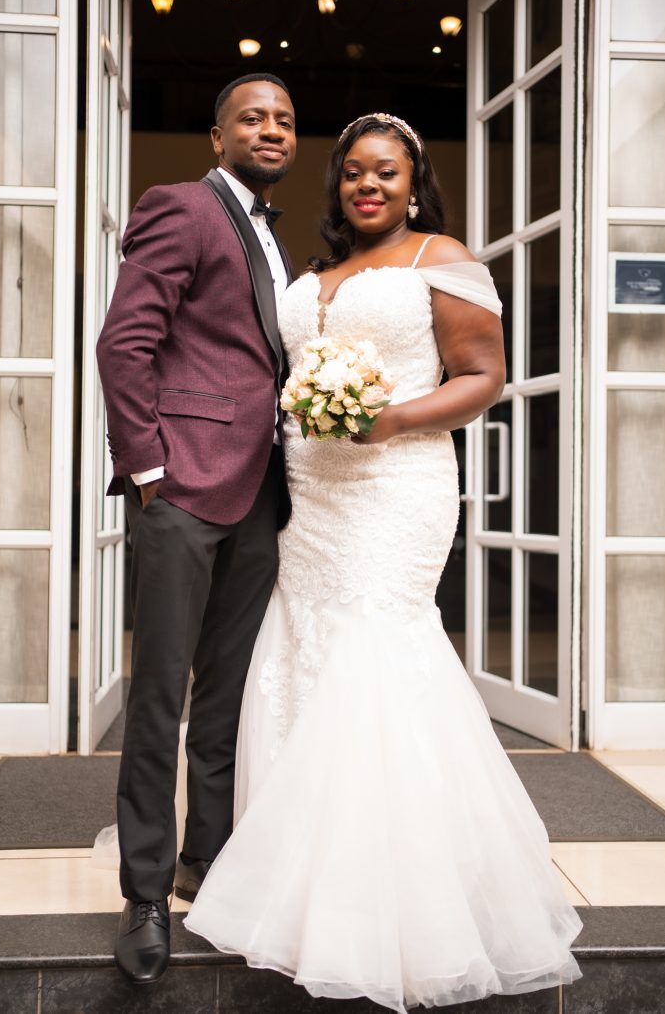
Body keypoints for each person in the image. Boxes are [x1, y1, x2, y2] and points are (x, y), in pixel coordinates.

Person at [183, 113, 582, 1011]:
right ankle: (290, 869)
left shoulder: (439, 257)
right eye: (356, 173)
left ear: (413, 183)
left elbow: (483, 375)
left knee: (376, 647)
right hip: (310, 495)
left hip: (395, 485)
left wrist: (391, 418)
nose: (370, 186)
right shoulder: (313, 273)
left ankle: (393, 893)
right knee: (302, 654)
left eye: (387, 174)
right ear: (340, 187)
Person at [95, 73, 296, 984]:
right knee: (160, 697)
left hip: (262, 492)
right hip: (182, 487)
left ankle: (203, 861)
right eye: (252, 117)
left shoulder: (273, 233)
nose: (272, 129)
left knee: (225, 698)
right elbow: (124, 341)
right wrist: (147, 471)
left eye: (286, 120)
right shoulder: (181, 206)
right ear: (216, 137)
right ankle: (143, 894)